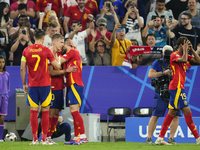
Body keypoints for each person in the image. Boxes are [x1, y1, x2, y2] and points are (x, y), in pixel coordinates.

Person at [155, 36, 200, 145]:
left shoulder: (184, 54)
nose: (189, 46)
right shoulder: (174, 55)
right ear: (181, 45)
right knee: (187, 111)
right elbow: (184, 60)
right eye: (187, 44)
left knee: (172, 112)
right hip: (176, 87)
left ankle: (160, 138)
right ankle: (198, 138)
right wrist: (186, 50)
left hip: (178, 87)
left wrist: (192, 50)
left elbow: (198, 61)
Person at [20, 29, 60, 145]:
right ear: (43, 38)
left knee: (33, 111)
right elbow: (56, 66)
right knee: (46, 111)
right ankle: (44, 139)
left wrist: (24, 84)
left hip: (32, 85)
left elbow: (22, 68)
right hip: (45, 85)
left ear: (34, 38)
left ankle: (34, 139)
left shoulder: (26, 50)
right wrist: (56, 56)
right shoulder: (47, 50)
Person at [146, 45, 181, 144]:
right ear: (163, 53)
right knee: (155, 115)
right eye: (167, 53)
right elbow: (150, 75)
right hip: (160, 92)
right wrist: (163, 73)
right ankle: (149, 138)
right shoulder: (158, 62)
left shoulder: (176, 62)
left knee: (176, 115)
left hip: (174, 92)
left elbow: (182, 75)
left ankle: (171, 138)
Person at [47, 33, 77, 144]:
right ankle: (45, 136)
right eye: (61, 42)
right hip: (52, 86)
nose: (63, 45)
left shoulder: (60, 54)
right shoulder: (49, 53)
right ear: (55, 42)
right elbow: (50, 72)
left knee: (57, 112)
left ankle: (49, 137)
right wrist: (65, 71)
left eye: (64, 43)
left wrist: (72, 45)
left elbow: (74, 52)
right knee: (51, 112)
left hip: (61, 86)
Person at [59, 38, 88, 145]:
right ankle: (76, 137)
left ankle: (83, 135)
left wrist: (48, 57)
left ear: (68, 44)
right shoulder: (72, 54)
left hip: (75, 84)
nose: (61, 47)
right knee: (74, 112)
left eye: (63, 45)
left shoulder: (72, 52)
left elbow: (58, 61)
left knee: (74, 111)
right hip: (71, 85)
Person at [0, 55, 9, 142]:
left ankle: (0, 138)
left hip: (4, 97)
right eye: (0, 62)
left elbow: (7, 88)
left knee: (2, 118)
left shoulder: (7, 74)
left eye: (3, 62)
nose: (1, 64)